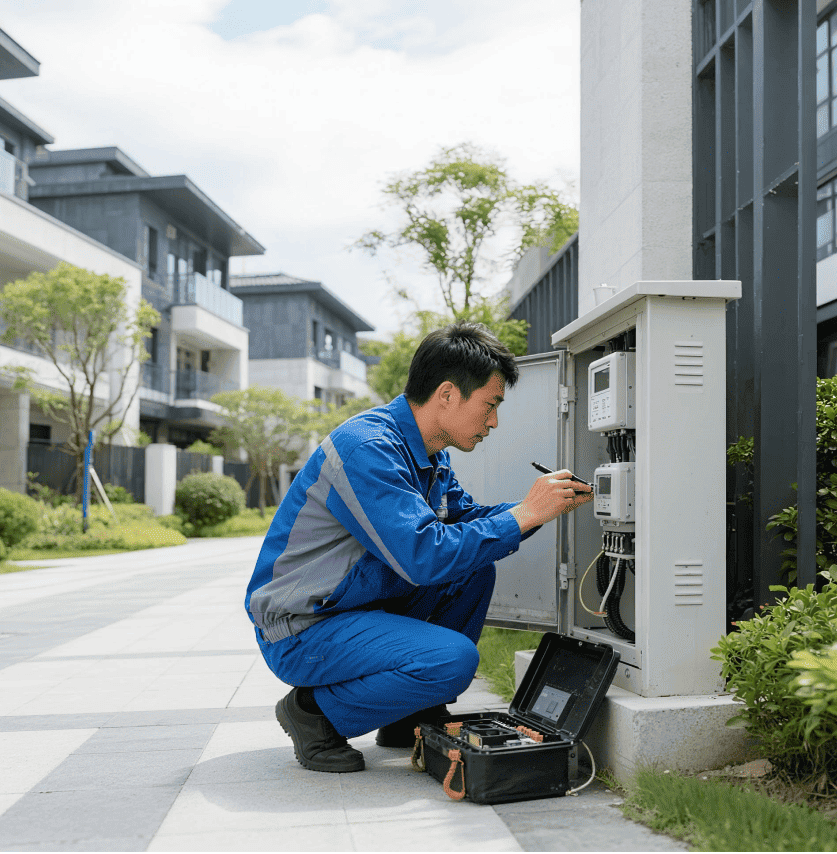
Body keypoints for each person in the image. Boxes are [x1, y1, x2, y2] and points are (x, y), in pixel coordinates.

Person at [245, 322, 592, 773]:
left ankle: (408, 713)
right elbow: (424, 555)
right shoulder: (367, 448)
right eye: (490, 405)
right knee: (454, 659)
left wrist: (540, 506)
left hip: (356, 605)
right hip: (303, 626)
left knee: (473, 568)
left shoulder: (429, 455)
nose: (494, 421)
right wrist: (526, 513)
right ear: (447, 393)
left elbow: (466, 521)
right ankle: (312, 714)